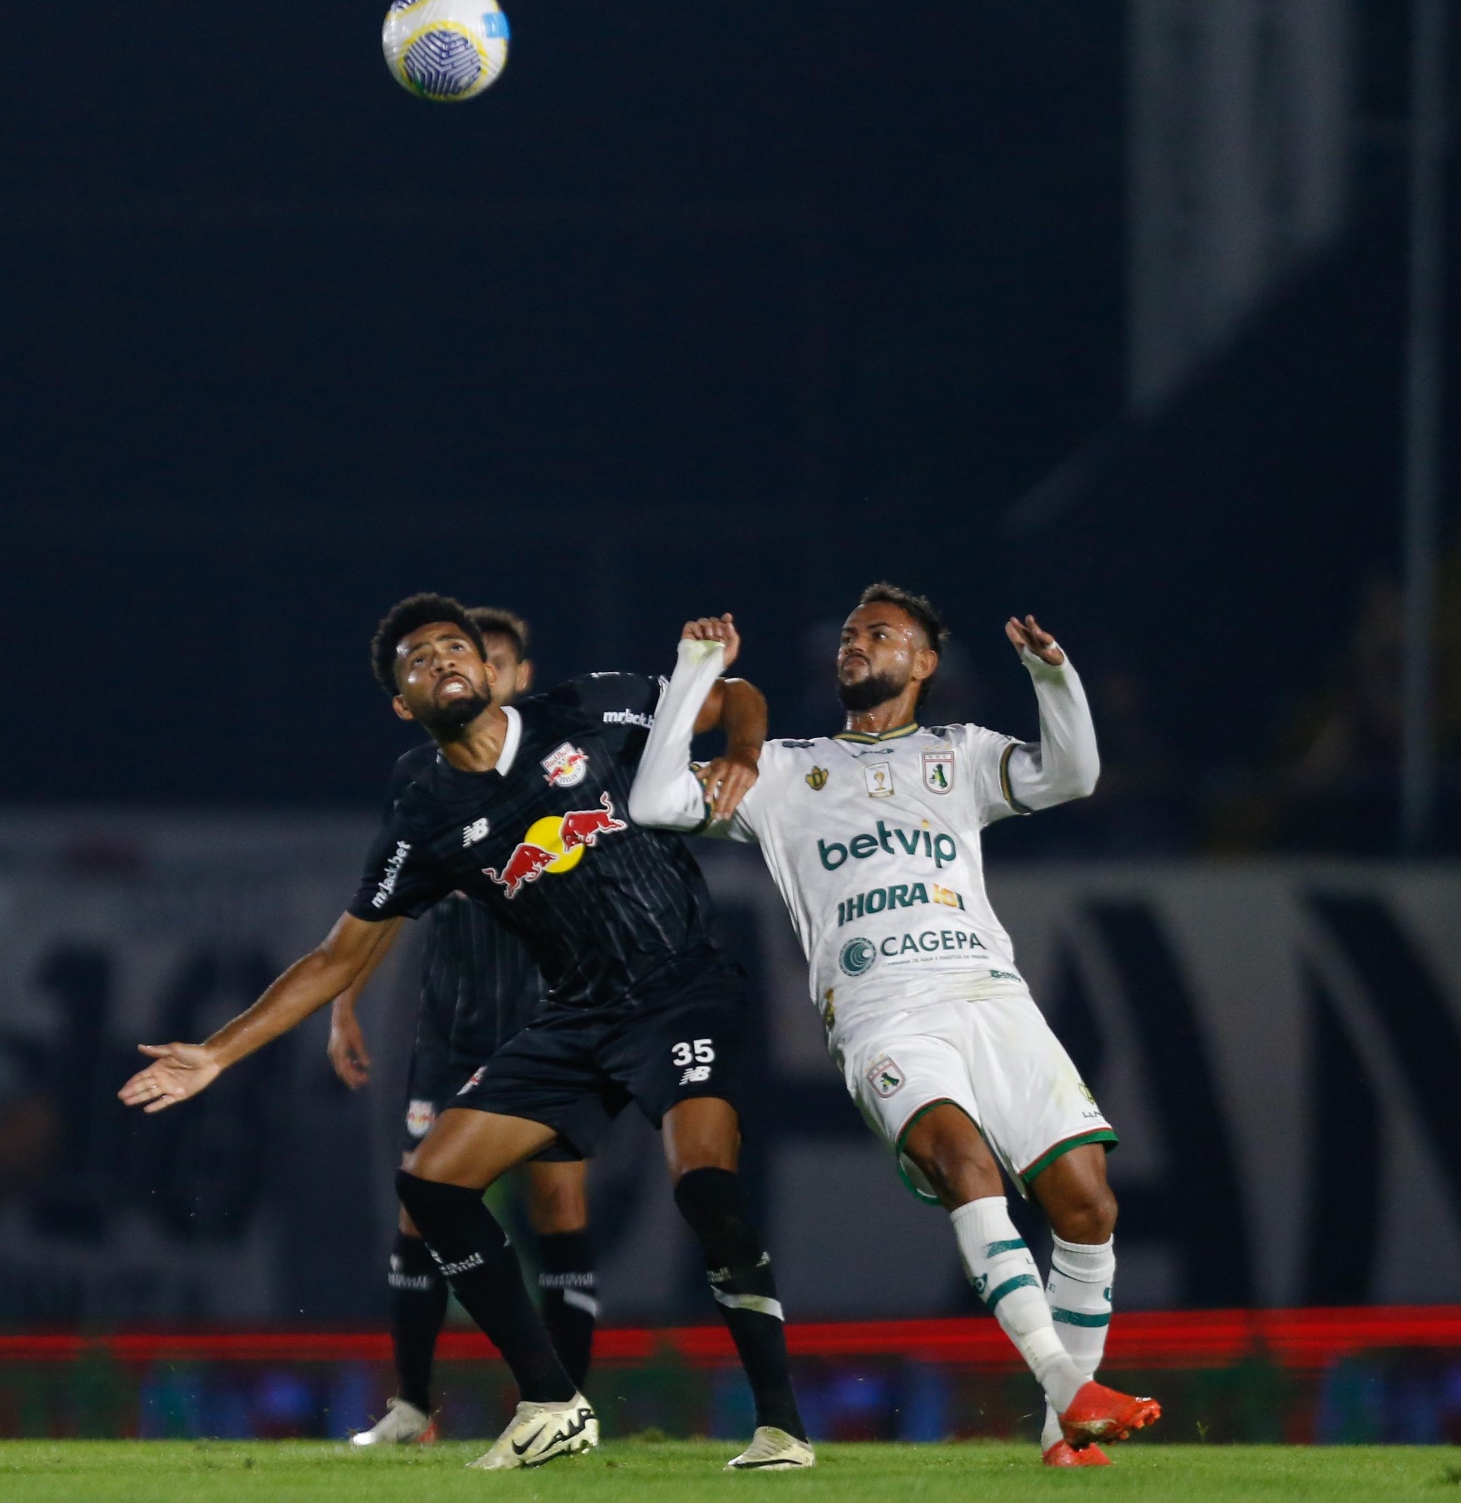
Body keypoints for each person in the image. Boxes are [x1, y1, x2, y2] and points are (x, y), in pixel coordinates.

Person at [120, 594, 811, 1472]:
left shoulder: (588, 708)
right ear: (402, 703)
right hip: (576, 1014)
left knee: (704, 1187)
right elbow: (338, 956)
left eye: (454, 646)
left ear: (489, 669)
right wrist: (216, 1052)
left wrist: (742, 755)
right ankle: (552, 1403)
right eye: (417, 660)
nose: (440, 660)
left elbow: (734, 692)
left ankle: (780, 1427)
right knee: (433, 1184)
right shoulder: (425, 807)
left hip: (682, 987)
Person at [628, 586, 1162, 1465]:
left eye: (879, 634)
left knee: (1087, 1204)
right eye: (848, 634)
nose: (855, 644)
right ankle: (1068, 1387)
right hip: (881, 1010)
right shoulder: (782, 773)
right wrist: (693, 672)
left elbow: (1072, 777)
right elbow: (654, 802)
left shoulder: (962, 754)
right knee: (963, 1163)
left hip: (990, 996)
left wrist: (1053, 679)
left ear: (922, 663)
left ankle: (1065, 1439)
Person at [327, 608, 599, 1445]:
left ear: (515, 676)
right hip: (453, 1024)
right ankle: (411, 1406)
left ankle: (566, 1406)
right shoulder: (422, 778)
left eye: (491, 660)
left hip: (548, 1021)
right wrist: (343, 1002)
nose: (470, 671)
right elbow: (383, 900)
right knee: (419, 1202)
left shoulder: (563, 758)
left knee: (558, 1205)